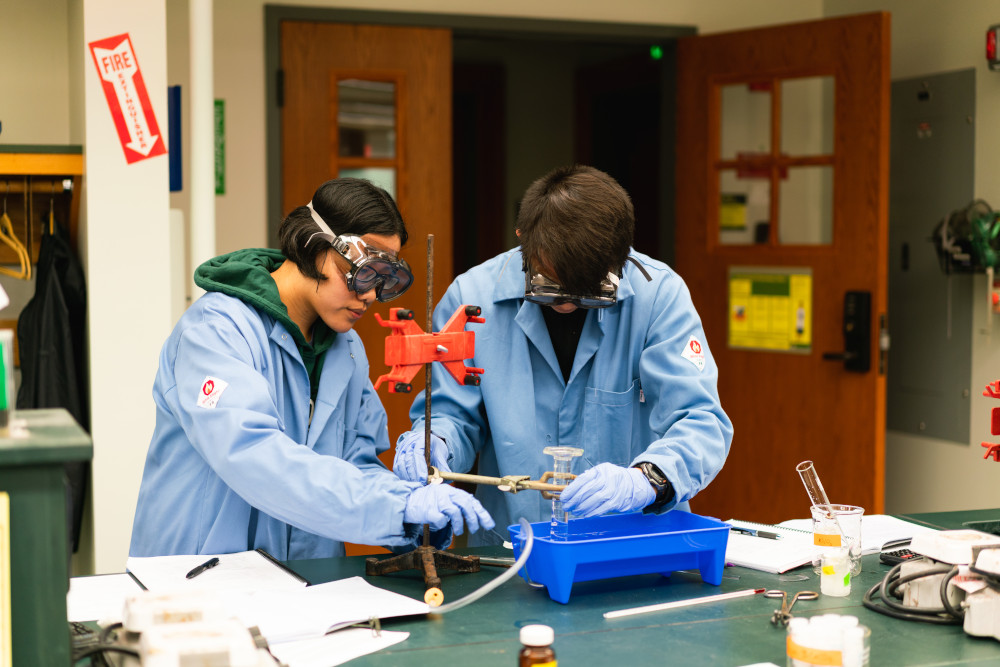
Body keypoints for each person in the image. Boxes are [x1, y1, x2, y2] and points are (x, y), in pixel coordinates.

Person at [130, 178, 493, 559]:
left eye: (383, 281)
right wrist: (393, 507)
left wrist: (411, 519)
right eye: (362, 272)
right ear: (315, 245)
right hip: (199, 581)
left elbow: (355, 465)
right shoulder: (215, 332)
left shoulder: (346, 349)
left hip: (302, 585)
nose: (369, 296)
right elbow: (255, 456)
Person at [393, 165, 732, 546]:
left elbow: (700, 420)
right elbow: (454, 413)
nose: (567, 306)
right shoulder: (471, 300)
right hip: (510, 552)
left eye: (587, 292)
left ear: (621, 258)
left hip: (631, 545)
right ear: (524, 242)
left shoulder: (658, 296)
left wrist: (648, 478)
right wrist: (434, 443)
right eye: (549, 286)